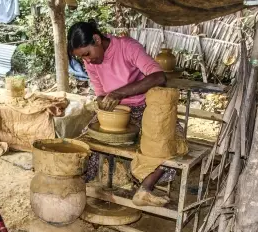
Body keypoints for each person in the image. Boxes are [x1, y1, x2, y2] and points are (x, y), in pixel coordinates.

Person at [67, 20, 179, 207]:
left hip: (143, 108)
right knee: (84, 142)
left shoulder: (127, 47)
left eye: (87, 54)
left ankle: (145, 189)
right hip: (115, 113)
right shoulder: (91, 62)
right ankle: (76, 188)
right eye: (82, 58)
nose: (87, 61)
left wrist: (121, 93)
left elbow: (159, 76)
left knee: (172, 138)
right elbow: (101, 93)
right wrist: (101, 101)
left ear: (96, 39)